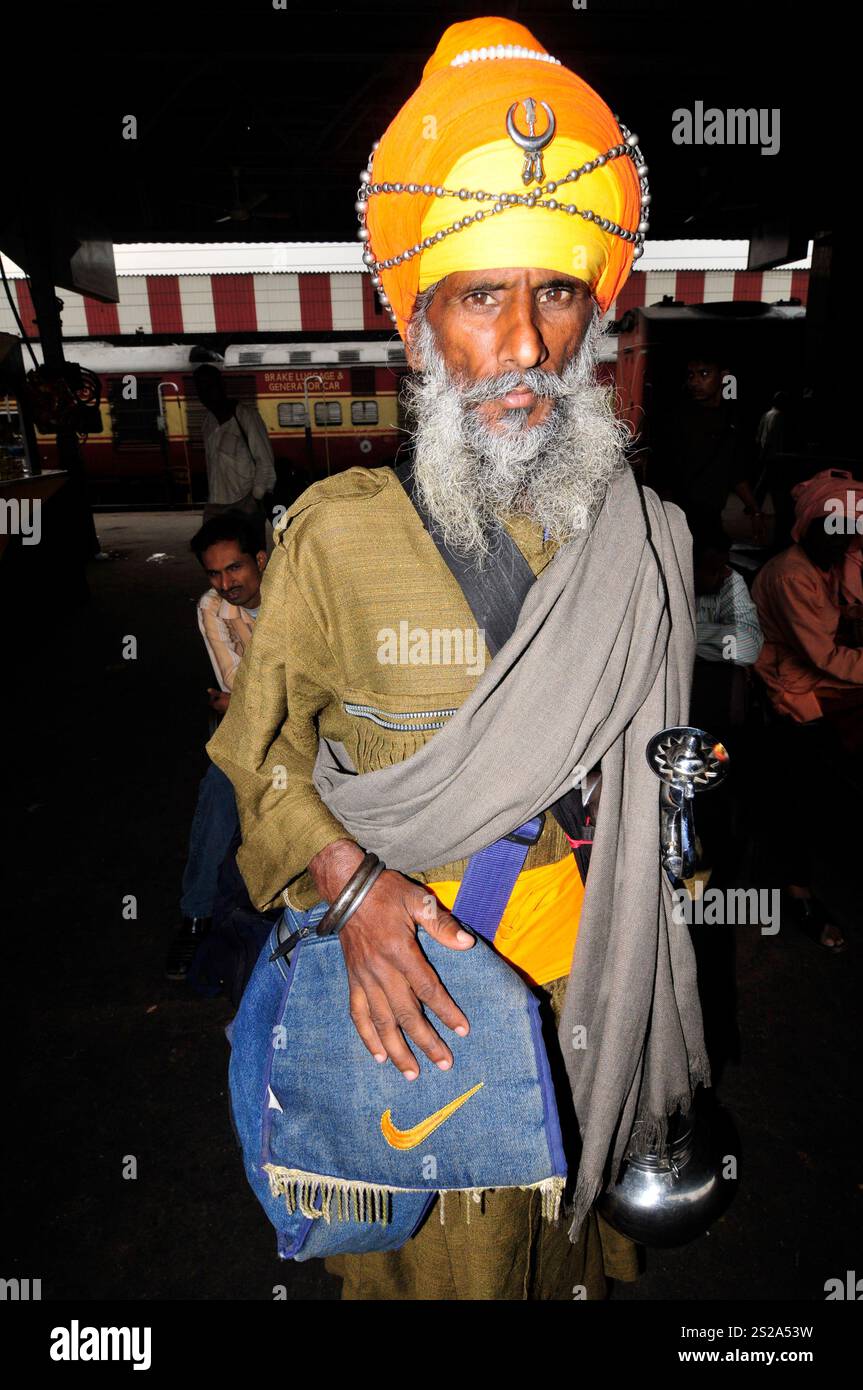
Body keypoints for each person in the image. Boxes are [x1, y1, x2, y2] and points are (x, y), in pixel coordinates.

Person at [210, 15, 706, 1300]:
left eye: (555, 294)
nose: (526, 344)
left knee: (578, 1262)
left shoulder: (640, 538)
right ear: (421, 329)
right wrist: (349, 884)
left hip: (593, 996)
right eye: (481, 296)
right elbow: (255, 751)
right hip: (420, 1000)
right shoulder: (335, 537)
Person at [751, 469, 863, 952]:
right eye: (833, 527)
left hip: (825, 680)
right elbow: (825, 657)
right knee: (796, 798)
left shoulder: (838, 561)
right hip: (790, 687)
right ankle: (799, 894)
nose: (842, 536)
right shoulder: (791, 574)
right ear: (810, 527)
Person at [164, 512, 268, 981]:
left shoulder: (298, 591)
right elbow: (231, 682)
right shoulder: (211, 608)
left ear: (260, 560)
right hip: (253, 726)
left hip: (309, 720)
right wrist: (239, 699)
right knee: (219, 784)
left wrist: (238, 699)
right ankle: (195, 916)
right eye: (214, 572)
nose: (226, 583)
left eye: (236, 568)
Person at [654, 352, 766, 544]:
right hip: (682, 515)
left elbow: (734, 470)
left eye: (704, 374)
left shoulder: (730, 418)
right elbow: (665, 471)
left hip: (711, 513)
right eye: (691, 375)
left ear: (724, 377)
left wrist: (755, 510)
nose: (695, 382)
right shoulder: (679, 418)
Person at [193, 364, 276, 524]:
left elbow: (265, 463)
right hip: (215, 506)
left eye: (210, 387)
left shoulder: (247, 417)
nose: (206, 394)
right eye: (201, 389)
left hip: (243, 506)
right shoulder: (208, 424)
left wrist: (255, 499)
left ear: (222, 386)